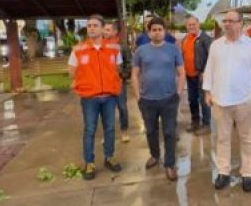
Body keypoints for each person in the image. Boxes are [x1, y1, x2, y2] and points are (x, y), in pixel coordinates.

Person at [203, 11, 251, 192]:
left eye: (231, 21)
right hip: (220, 101)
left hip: (245, 100)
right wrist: (207, 92)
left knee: (247, 139)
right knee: (222, 139)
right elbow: (209, 69)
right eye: (225, 21)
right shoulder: (216, 45)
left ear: (241, 23)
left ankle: (246, 174)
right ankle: (224, 172)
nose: (227, 24)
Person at [68, 14, 123, 180]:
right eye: (89, 25)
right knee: (90, 129)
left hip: (109, 96)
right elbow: (72, 72)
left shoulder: (114, 48)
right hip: (89, 98)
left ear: (102, 28)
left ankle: (109, 157)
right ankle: (89, 162)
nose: (91, 28)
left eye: (95, 25)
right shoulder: (78, 49)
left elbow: (118, 68)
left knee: (110, 128)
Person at [132, 17, 185, 181]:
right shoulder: (141, 50)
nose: (157, 32)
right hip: (147, 99)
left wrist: (178, 93)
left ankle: (170, 164)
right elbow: (134, 74)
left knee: (169, 132)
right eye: (153, 30)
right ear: (149, 32)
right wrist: (138, 96)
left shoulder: (173, 49)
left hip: (169, 98)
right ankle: (155, 155)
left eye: (160, 29)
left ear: (164, 31)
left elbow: (181, 72)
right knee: (150, 130)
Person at [181, 16, 213, 136]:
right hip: (189, 76)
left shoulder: (206, 39)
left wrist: (205, 72)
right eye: (189, 25)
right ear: (186, 26)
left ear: (198, 24)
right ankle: (195, 122)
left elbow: (212, 58)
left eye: (194, 24)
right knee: (192, 99)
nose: (191, 26)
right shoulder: (185, 39)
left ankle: (206, 124)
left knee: (204, 101)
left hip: (201, 76)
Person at [103, 22, 133, 143]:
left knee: (122, 107)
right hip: (105, 84)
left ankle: (124, 131)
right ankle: (107, 134)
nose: (105, 32)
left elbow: (129, 63)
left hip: (119, 83)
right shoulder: (101, 46)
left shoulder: (122, 47)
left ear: (115, 32)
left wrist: (122, 76)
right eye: (104, 29)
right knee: (106, 109)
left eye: (108, 30)